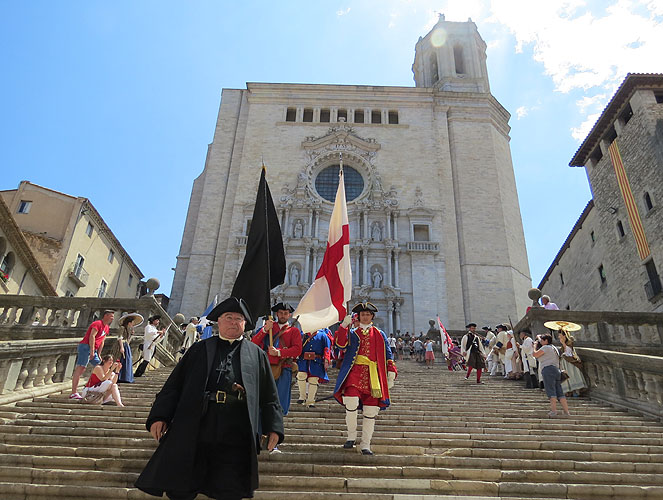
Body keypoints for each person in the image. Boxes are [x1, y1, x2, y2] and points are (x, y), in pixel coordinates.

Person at [135, 297, 284, 500]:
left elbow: (269, 395)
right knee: (182, 484)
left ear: (245, 324)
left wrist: (273, 427)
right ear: (218, 321)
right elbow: (174, 385)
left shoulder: (257, 355)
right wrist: (160, 416)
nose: (233, 322)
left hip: (236, 428)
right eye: (228, 317)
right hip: (196, 422)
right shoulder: (199, 349)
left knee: (229, 487)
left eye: (238, 319)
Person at [334, 302, 397, 455]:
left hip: (373, 376)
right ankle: (351, 436)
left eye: (368, 314)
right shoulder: (352, 332)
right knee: (351, 402)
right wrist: (343, 327)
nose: (365, 317)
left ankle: (365, 444)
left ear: (372, 316)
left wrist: (391, 370)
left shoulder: (380, 333)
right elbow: (340, 345)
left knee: (370, 411)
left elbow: (388, 353)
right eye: (362, 314)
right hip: (354, 373)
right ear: (358, 317)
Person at [251, 302, 302, 417]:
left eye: (285, 313)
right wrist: (264, 330)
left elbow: (297, 350)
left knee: (281, 400)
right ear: (277, 314)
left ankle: (277, 423)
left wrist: (279, 352)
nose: (283, 315)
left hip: (284, 368)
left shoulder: (294, 331)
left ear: (289, 315)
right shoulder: (268, 328)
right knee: (264, 398)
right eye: (281, 313)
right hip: (266, 368)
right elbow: (253, 343)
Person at [70, 310, 114, 400]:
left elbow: (102, 341)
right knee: (81, 368)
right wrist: (92, 350)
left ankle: (94, 388)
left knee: (101, 367)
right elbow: (92, 336)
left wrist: (99, 353)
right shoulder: (97, 323)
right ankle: (73, 392)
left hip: (94, 349)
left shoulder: (106, 327)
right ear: (105, 316)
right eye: (111, 316)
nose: (112, 318)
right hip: (86, 347)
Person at [532, 333, 571, 417]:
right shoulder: (554, 348)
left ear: (546, 341)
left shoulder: (546, 347)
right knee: (559, 391)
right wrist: (539, 338)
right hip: (556, 370)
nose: (541, 342)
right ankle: (566, 411)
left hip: (548, 370)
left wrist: (534, 346)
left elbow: (535, 354)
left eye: (542, 340)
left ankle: (554, 411)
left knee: (550, 390)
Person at [296, 328, 331, 407]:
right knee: (301, 375)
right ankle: (302, 397)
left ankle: (310, 401)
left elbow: (327, 348)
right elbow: (297, 346)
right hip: (303, 360)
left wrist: (326, 360)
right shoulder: (303, 334)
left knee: (313, 379)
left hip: (316, 361)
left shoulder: (323, 335)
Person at [112, 312, 143, 383]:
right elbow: (119, 338)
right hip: (121, 345)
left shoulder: (128, 330)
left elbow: (128, 340)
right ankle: (118, 376)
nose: (132, 324)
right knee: (119, 359)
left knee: (127, 360)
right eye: (132, 323)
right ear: (129, 323)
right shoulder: (122, 328)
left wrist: (131, 335)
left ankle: (125, 377)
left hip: (126, 345)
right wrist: (121, 347)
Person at [558, 331, 588, 396]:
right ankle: (570, 391)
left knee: (572, 375)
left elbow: (569, 352)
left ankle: (576, 391)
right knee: (567, 376)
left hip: (570, 362)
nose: (559, 337)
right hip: (565, 362)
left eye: (560, 335)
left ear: (564, 336)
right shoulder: (563, 344)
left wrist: (563, 343)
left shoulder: (569, 342)